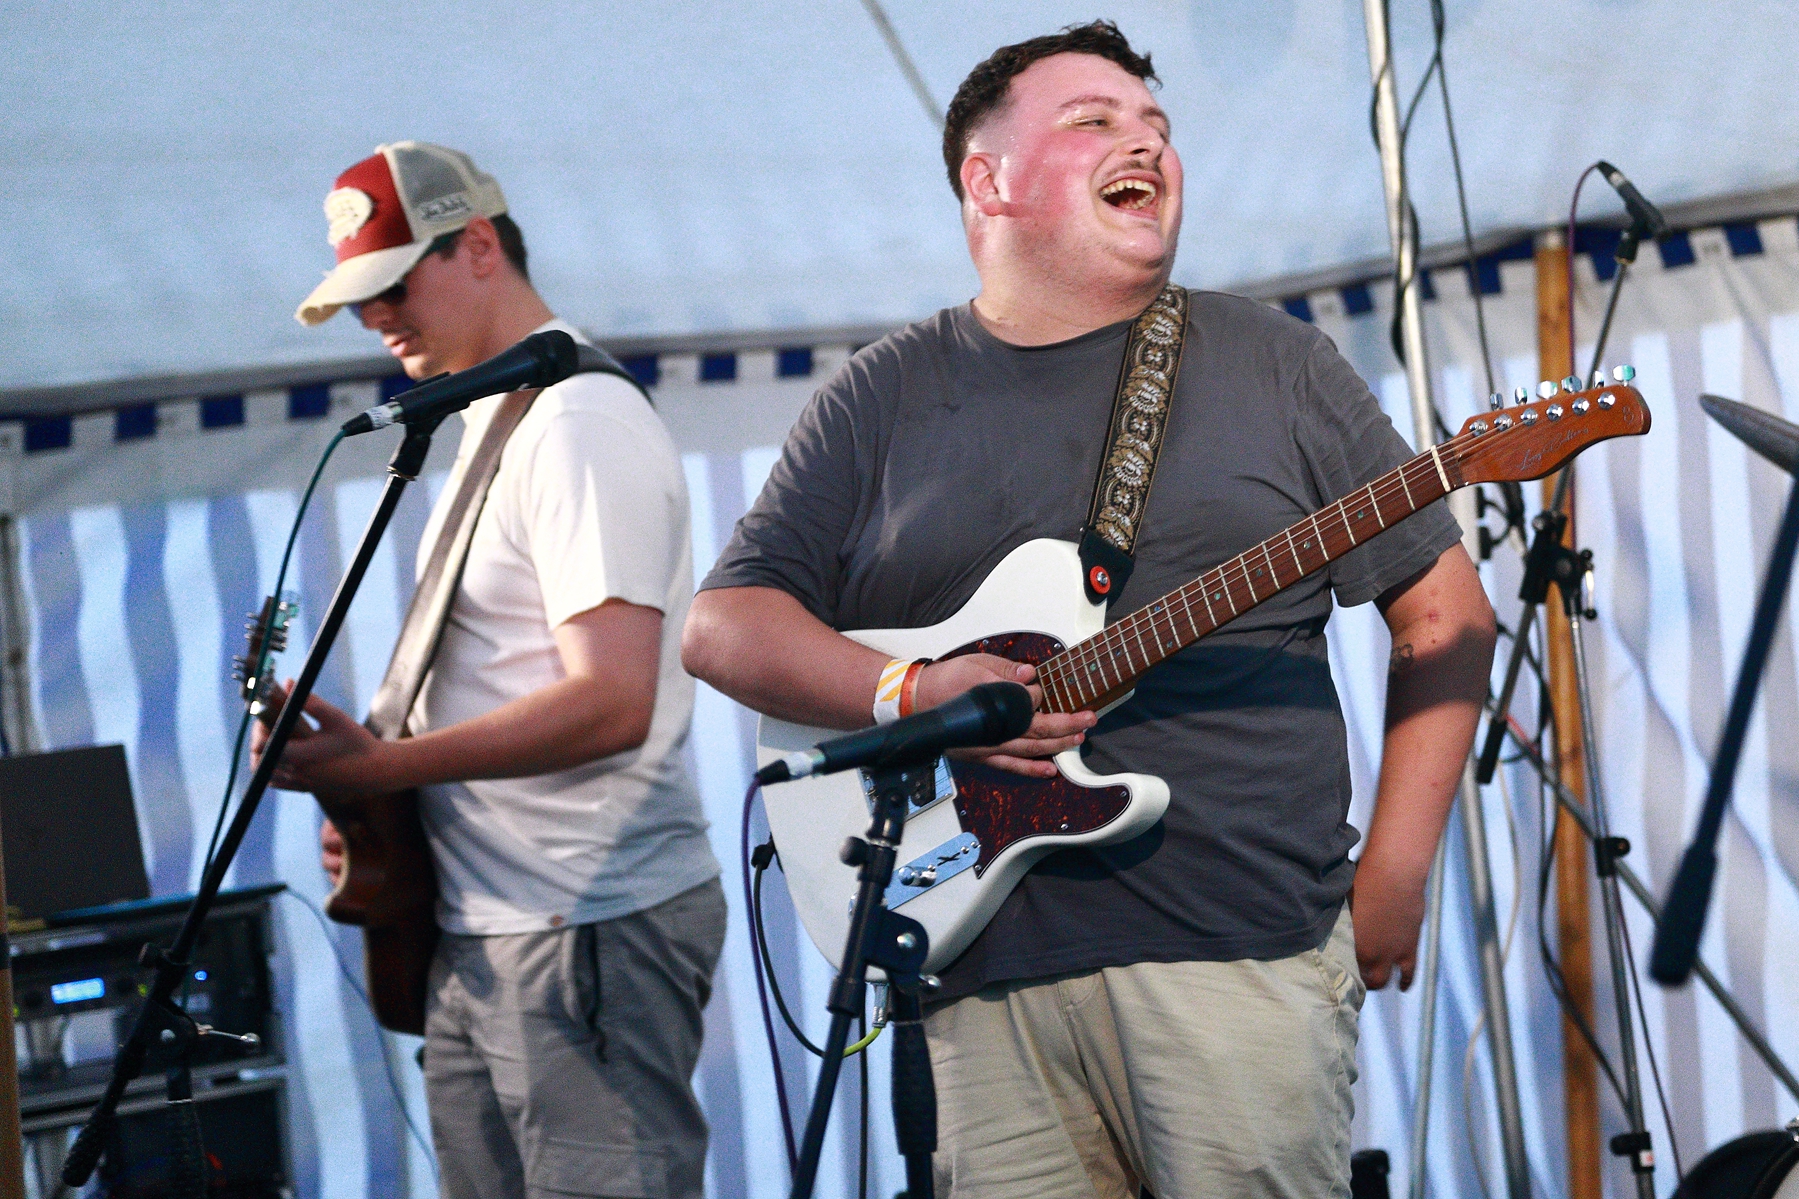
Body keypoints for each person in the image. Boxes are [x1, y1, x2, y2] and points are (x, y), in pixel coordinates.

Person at [682, 23, 1495, 1199]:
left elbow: (1444, 618)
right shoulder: (881, 393)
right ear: (987, 181)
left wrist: (1401, 869)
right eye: (1094, 121)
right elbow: (721, 625)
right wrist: (914, 689)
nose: (1145, 143)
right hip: (965, 970)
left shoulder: (1275, 362)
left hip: (1235, 951)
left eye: (1157, 125)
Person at [264, 141, 725, 1199]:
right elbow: (503, 670)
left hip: (583, 920)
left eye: (392, 285)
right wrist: (379, 801)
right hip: (490, 920)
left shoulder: (578, 421)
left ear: (477, 245)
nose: (375, 318)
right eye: (358, 299)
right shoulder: (500, 411)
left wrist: (385, 769)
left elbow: (611, 700)